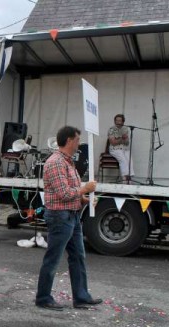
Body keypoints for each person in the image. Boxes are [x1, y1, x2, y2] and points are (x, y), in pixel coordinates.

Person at [35, 126, 102, 311]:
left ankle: (81, 296)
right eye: (78, 140)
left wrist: (84, 199)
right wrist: (85, 189)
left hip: (71, 215)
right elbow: (64, 193)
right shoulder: (56, 162)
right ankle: (43, 297)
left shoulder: (68, 162)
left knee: (78, 256)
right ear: (69, 140)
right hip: (60, 216)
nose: (79, 144)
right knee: (53, 258)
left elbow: (70, 192)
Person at [107, 114, 133, 183]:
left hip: (124, 149)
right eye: (116, 120)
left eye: (120, 121)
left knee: (129, 159)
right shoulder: (111, 129)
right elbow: (113, 142)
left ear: (123, 122)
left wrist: (125, 139)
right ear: (114, 121)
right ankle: (124, 179)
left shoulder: (125, 129)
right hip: (115, 149)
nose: (118, 122)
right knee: (123, 160)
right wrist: (122, 138)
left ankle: (129, 179)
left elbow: (127, 143)